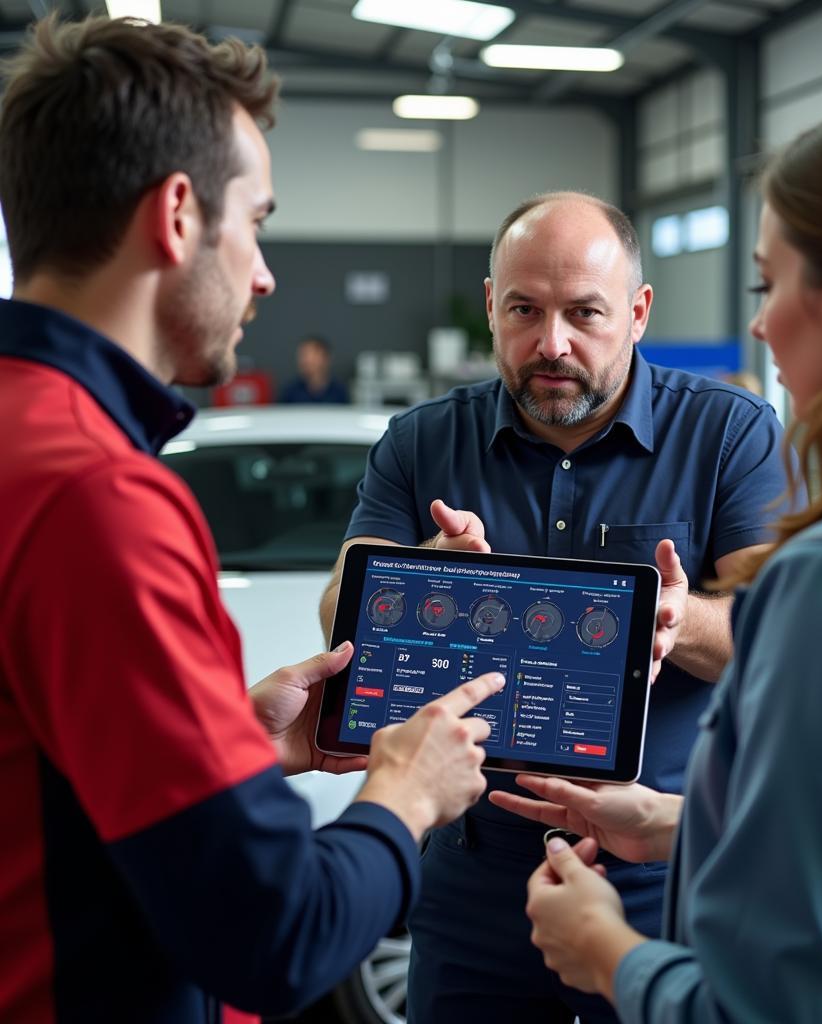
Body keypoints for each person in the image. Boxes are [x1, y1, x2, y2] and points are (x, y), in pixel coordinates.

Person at [0, 16, 504, 1023]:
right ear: (178, 213)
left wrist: (230, 738)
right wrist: (406, 792)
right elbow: (279, 937)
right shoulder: (101, 495)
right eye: (258, 220)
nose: (266, 273)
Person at [496, 95, 822, 1023]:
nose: (760, 329)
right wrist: (677, 824)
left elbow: (762, 1009)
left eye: (765, 286)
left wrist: (609, 953)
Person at [320, 191, 792, 1023]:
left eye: (585, 313)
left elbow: (777, 634)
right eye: (524, 311)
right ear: (493, 304)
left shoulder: (730, 434)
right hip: (470, 877)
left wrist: (678, 621)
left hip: (665, 868)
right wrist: (420, 579)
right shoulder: (422, 440)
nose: (552, 344)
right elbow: (341, 608)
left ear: (639, 312)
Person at [278, 333, 349, 403]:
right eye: (302, 355)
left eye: (312, 355)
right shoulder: (290, 392)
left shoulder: (339, 393)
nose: (305, 361)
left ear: (326, 358)